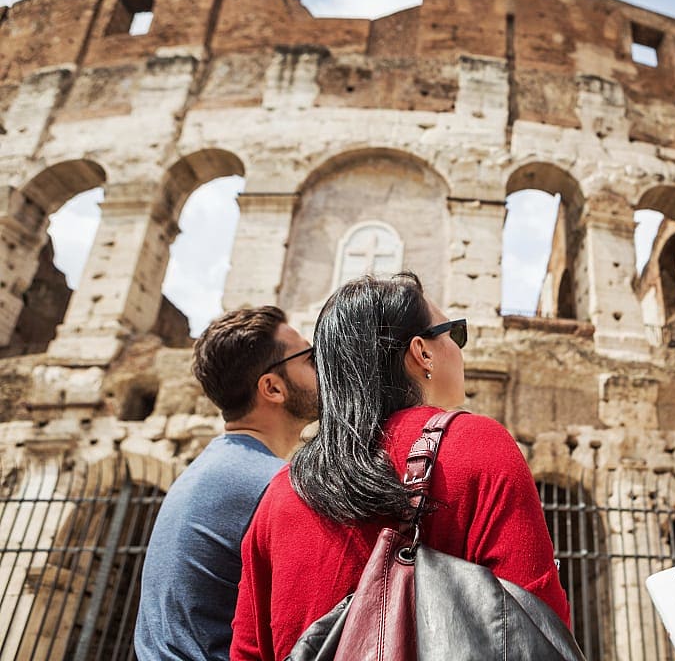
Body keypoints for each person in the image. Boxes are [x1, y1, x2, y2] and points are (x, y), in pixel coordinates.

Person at [231, 273, 570, 660]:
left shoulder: (280, 492)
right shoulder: (478, 445)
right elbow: (537, 627)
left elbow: (248, 650)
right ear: (422, 352)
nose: (460, 349)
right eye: (454, 334)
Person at [135, 306, 318, 661]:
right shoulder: (272, 485)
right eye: (310, 359)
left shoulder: (205, 470)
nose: (323, 369)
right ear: (273, 388)